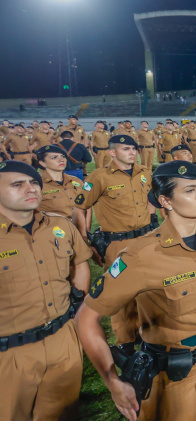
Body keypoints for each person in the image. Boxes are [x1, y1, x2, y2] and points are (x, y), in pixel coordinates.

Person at [76, 161, 196, 421]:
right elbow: (86, 319)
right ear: (165, 201)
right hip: (171, 372)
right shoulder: (140, 256)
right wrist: (113, 382)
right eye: (190, 190)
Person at [0, 161, 91, 421]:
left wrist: (79, 305)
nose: (31, 189)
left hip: (62, 339)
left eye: (35, 183)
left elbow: (81, 263)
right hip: (9, 352)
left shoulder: (58, 226)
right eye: (18, 184)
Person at [74, 134, 156, 347]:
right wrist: (84, 238)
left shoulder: (144, 172)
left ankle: (148, 335)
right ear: (112, 152)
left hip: (147, 240)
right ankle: (126, 341)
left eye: (133, 149)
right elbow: (80, 207)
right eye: (126, 149)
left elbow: (152, 199)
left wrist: (152, 217)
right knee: (120, 293)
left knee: (149, 289)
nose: (132, 152)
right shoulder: (99, 177)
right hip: (118, 244)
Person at [35, 143, 90, 229]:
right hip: (55, 233)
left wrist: (86, 232)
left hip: (79, 232)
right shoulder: (36, 186)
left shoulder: (77, 181)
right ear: (42, 163)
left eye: (63, 156)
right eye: (54, 157)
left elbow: (87, 206)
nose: (61, 160)